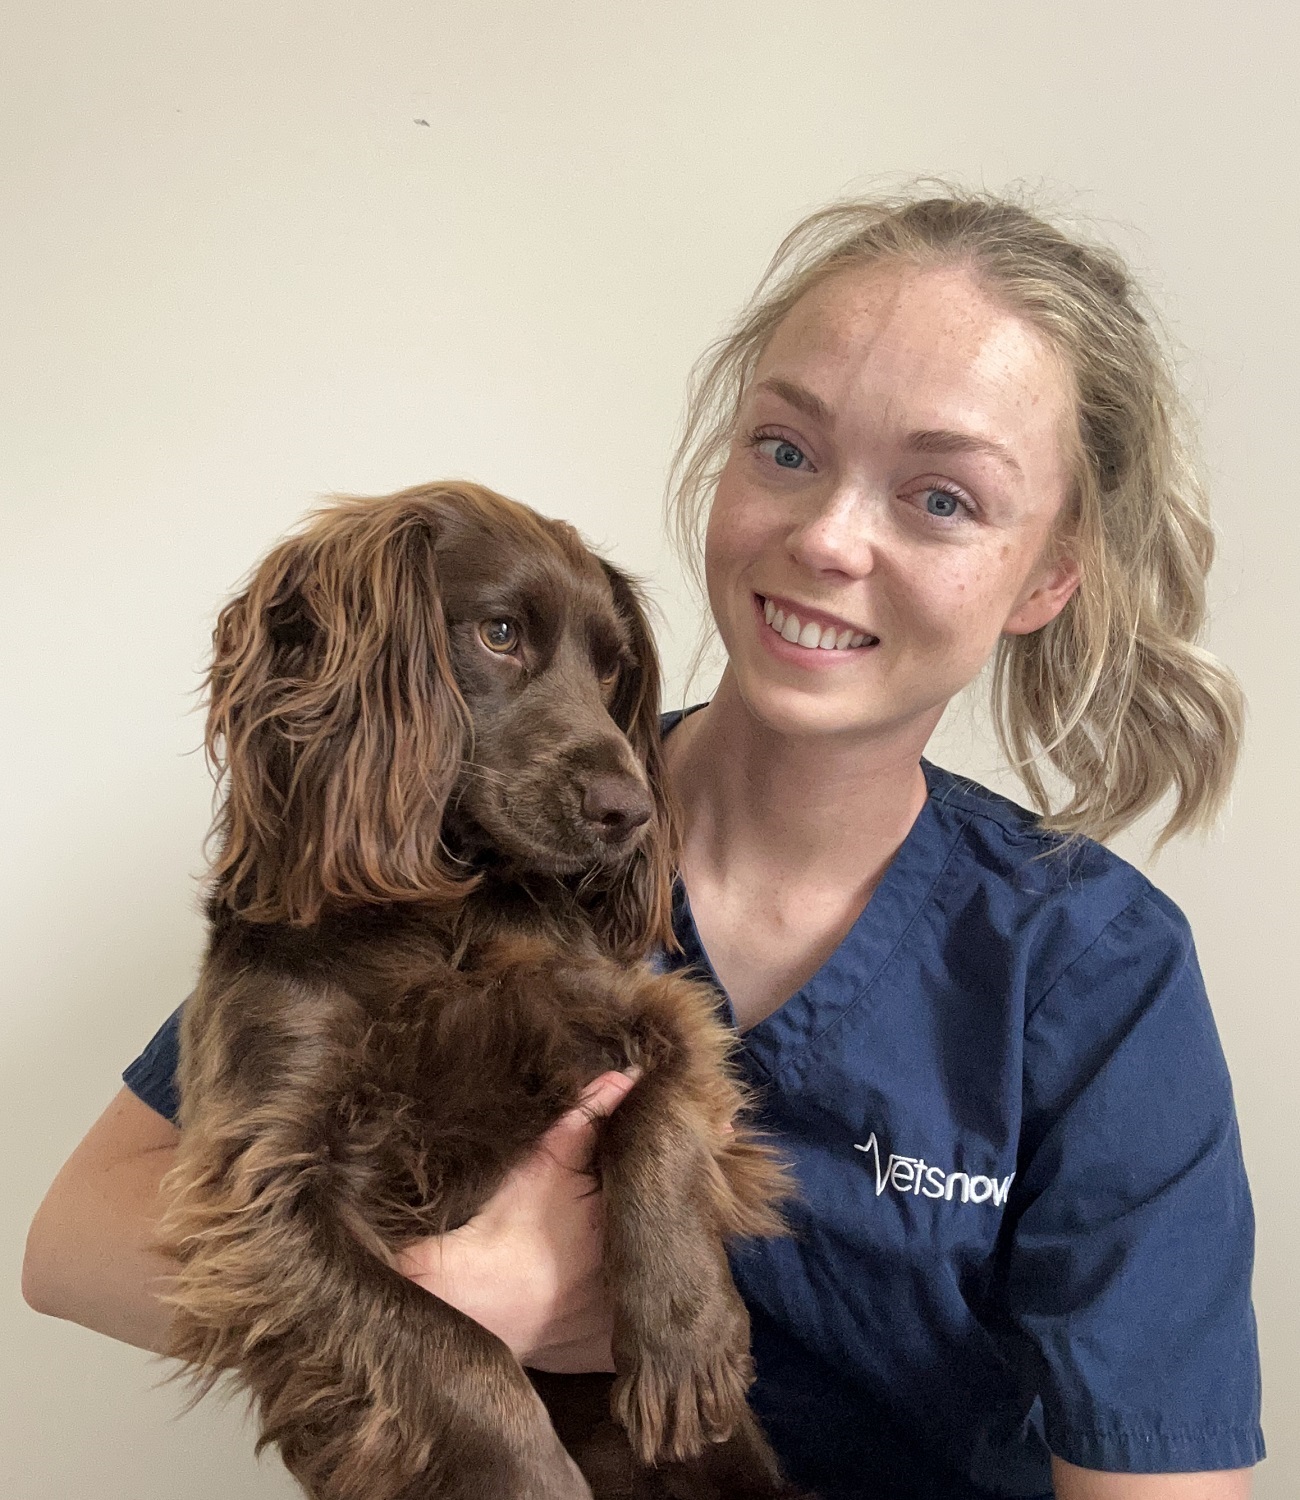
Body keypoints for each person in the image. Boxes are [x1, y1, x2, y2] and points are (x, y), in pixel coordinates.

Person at [23, 190, 1263, 1499]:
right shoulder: (460, 827)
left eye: (942, 497)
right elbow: (76, 1238)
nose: (830, 536)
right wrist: (468, 1292)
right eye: (786, 449)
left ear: (1048, 577)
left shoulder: (1090, 965)